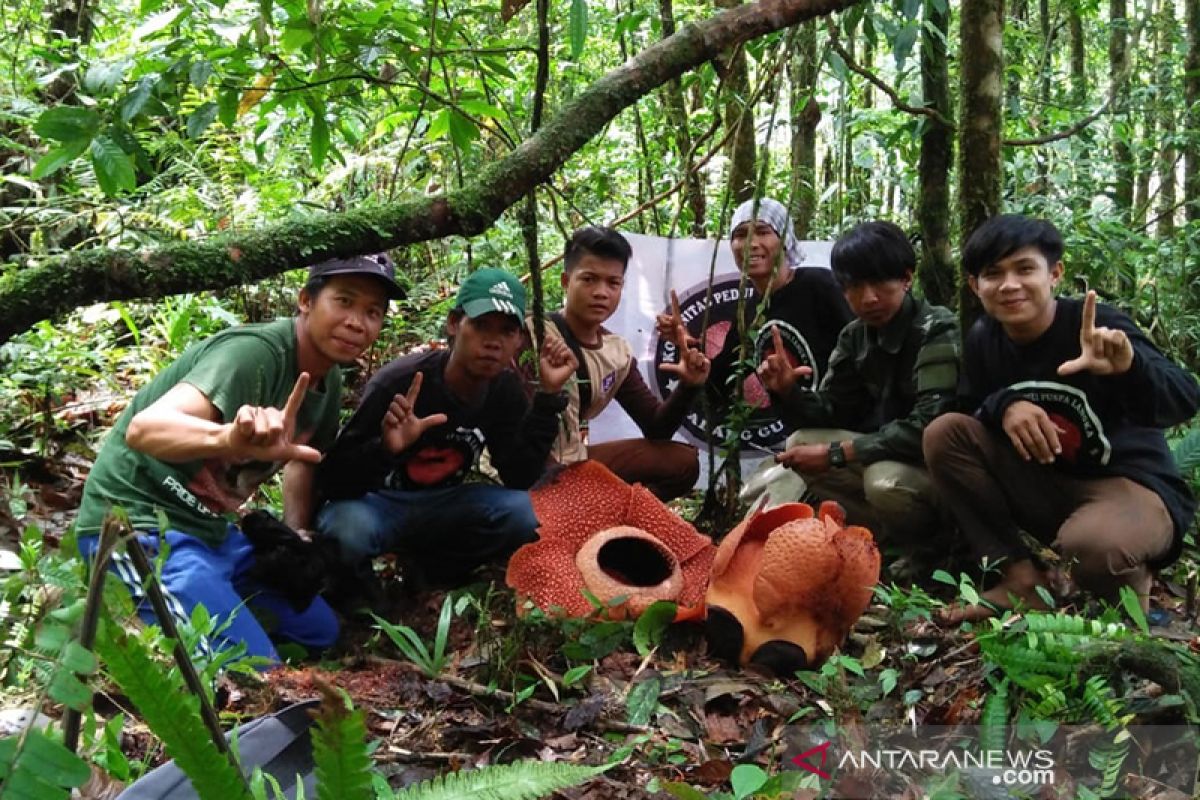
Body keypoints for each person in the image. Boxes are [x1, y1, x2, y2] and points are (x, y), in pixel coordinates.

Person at [75, 253, 402, 662]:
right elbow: (146, 429)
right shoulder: (253, 355)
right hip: (139, 526)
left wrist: (294, 533)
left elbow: (303, 457)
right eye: (344, 301)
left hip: (211, 533)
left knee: (320, 631)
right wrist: (228, 438)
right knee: (257, 672)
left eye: (373, 311)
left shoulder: (327, 379)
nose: (358, 321)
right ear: (305, 300)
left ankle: (218, 607)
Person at [924, 215, 1200, 622]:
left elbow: (1185, 397)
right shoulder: (985, 338)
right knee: (944, 434)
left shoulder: (1096, 325)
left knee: (1092, 546)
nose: (1009, 285)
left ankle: (1128, 585)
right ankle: (1020, 579)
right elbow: (972, 407)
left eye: (1024, 269)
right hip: (1050, 481)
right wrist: (1006, 405)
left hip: (1130, 486)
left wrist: (1131, 367)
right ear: (974, 286)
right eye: (993, 273)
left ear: (1054, 274)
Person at [314, 267, 576, 592]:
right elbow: (332, 481)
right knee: (347, 529)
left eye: (506, 331)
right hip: (377, 503)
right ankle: (364, 595)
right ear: (454, 324)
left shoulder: (503, 390)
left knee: (527, 512)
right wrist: (386, 448)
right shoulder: (399, 381)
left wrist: (548, 399)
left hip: (446, 503)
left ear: (519, 340)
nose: (492, 342)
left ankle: (430, 571)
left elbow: (519, 476)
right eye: (481, 326)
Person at [758, 221, 960, 548]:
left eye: (880, 283)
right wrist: (788, 392)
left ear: (907, 279)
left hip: (936, 469)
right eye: (854, 286)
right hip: (886, 455)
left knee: (883, 483)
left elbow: (928, 426)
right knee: (800, 443)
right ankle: (882, 541)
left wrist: (839, 453)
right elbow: (832, 410)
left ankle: (938, 547)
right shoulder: (855, 336)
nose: (868, 298)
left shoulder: (936, 328)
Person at [518, 226, 710, 500]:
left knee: (683, 463)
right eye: (589, 279)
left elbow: (657, 427)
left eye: (613, 283)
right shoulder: (532, 334)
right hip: (521, 468)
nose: (601, 292)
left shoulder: (616, 352)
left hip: (575, 461)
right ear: (565, 281)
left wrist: (688, 386)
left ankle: (616, 519)